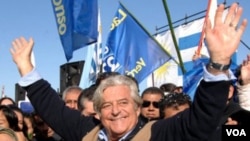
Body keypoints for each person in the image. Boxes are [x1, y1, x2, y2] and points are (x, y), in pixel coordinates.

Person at [10, 3, 247, 141]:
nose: (115, 111)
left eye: (123, 102)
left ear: (136, 106)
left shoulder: (158, 133)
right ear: (98, 113)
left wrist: (218, 61)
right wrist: (26, 68)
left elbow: (201, 120)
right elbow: (54, 110)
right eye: (106, 105)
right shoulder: (88, 133)